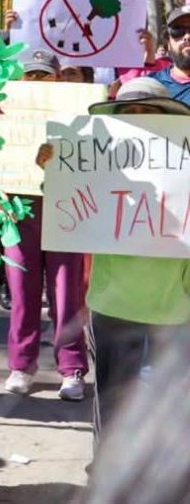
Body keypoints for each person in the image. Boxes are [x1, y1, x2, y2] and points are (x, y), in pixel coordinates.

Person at [73, 77, 190, 447]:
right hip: (113, 303)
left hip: (174, 302)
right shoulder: (95, 162)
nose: (138, 118)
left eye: (147, 111)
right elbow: (64, 205)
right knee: (112, 399)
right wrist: (50, 168)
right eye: (129, 112)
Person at [2, 50, 88, 402]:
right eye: (31, 76)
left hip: (65, 207)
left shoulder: (76, 113)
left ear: (57, 79)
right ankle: (21, 364)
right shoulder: (8, 113)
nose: (37, 82)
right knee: (22, 291)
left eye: (44, 76)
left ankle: (72, 368)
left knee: (67, 293)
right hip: (19, 210)